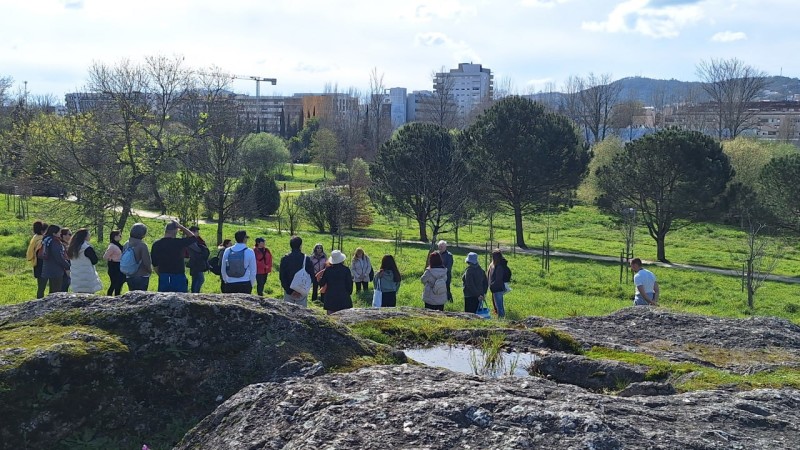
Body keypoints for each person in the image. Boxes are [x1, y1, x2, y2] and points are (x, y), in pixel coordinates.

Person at [150, 220, 196, 293]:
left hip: (164, 275)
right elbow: (193, 238)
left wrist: (160, 274)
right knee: (181, 299)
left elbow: (154, 263)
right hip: (179, 275)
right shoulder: (179, 243)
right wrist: (181, 227)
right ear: (176, 231)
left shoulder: (156, 244)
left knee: (163, 300)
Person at [278, 236, 315, 307]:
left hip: (289, 291)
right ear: (300, 246)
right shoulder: (306, 259)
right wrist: (302, 290)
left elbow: (282, 277)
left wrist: (289, 291)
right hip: (302, 291)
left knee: (287, 312)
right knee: (302, 314)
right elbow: (312, 276)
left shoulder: (285, 259)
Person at [67, 228, 103, 294]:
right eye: (89, 234)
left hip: (76, 276)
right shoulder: (87, 248)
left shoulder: (71, 247)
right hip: (87, 276)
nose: (90, 236)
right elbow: (95, 261)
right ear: (85, 237)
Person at [221, 230, 257, 294]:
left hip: (230, 282)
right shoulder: (250, 251)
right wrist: (251, 284)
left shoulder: (228, 250)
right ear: (244, 239)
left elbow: (223, 268)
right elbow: (253, 270)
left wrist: (225, 280)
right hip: (245, 282)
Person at [318, 249, 353, 314]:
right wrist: (348, 293)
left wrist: (319, 278)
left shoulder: (328, 270)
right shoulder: (346, 270)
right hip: (343, 298)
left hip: (330, 298)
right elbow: (349, 285)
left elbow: (322, 283)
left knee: (331, 320)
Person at [40, 224, 70, 295]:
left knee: (52, 290)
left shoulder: (46, 240)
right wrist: (68, 265)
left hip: (47, 267)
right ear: (54, 233)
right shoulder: (55, 242)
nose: (60, 234)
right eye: (59, 232)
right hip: (56, 270)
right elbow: (59, 257)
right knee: (56, 292)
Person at [124, 223, 152, 291]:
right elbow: (146, 262)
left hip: (129, 275)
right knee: (141, 298)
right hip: (141, 276)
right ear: (143, 234)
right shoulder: (142, 245)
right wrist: (150, 271)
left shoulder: (126, 244)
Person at [27, 220, 49, 299]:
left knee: (40, 287)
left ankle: (39, 301)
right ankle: (40, 303)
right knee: (42, 287)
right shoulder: (42, 241)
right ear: (42, 230)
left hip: (37, 265)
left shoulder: (35, 238)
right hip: (42, 265)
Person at [186, 225, 210, 293]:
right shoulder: (191, 241)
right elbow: (198, 250)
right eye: (197, 232)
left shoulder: (196, 240)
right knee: (199, 279)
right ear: (192, 232)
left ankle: (195, 292)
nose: (198, 233)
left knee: (197, 279)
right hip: (195, 262)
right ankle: (195, 293)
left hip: (197, 262)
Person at [487, 250, 511, 319]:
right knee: (498, 304)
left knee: (499, 305)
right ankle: (500, 317)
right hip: (497, 288)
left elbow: (498, 279)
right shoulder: (497, 265)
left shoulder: (499, 267)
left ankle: (501, 318)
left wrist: (492, 285)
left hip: (498, 288)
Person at [103, 230, 125, 296]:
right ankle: (109, 296)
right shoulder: (112, 246)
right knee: (114, 283)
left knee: (119, 283)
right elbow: (105, 257)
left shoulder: (118, 245)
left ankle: (117, 296)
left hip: (119, 265)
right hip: (114, 266)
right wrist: (112, 259)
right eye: (120, 235)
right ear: (115, 236)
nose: (121, 237)